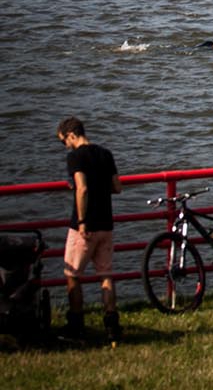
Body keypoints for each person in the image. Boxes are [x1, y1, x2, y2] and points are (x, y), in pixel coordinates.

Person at [57, 117, 121, 342]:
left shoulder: (75, 157)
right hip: (106, 223)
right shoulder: (106, 154)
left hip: (85, 226)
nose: (65, 145)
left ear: (72, 135)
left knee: (72, 275)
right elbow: (117, 187)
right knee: (106, 276)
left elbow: (82, 188)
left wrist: (82, 221)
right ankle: (112, 325)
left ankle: (76, 326)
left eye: (64, 140)